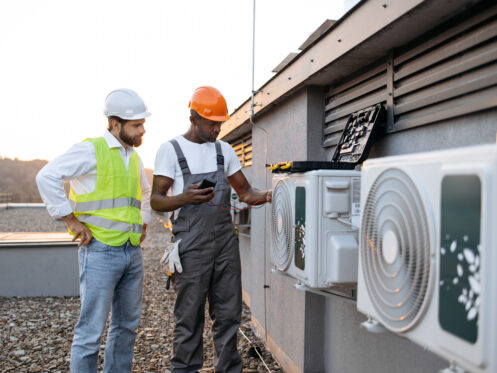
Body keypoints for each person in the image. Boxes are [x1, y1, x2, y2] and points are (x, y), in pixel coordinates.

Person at [151, 86, 272, 373]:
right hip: (191, 244)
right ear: (193, 117)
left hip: (225, 243)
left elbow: (245, 193)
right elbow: (157, 200)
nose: (218, 128)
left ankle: (229, 369)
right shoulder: (170, 150)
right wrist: (185, 198)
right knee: (189, 317)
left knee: (229, 313)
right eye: (212, 123)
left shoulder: (224, 150)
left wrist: (272, 194)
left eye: (220, 123)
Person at [36, 88, 152, 373]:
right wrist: (70, 219)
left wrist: (144, 221)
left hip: (131, 252)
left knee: (125, 329)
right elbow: (46, 176)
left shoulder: (133, 157)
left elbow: (145, 193)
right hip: (99, 251)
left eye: (143, 124)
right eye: (136, 125)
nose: (143, 130)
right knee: (90, 333)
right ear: (115, 123)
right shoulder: (91, 149)